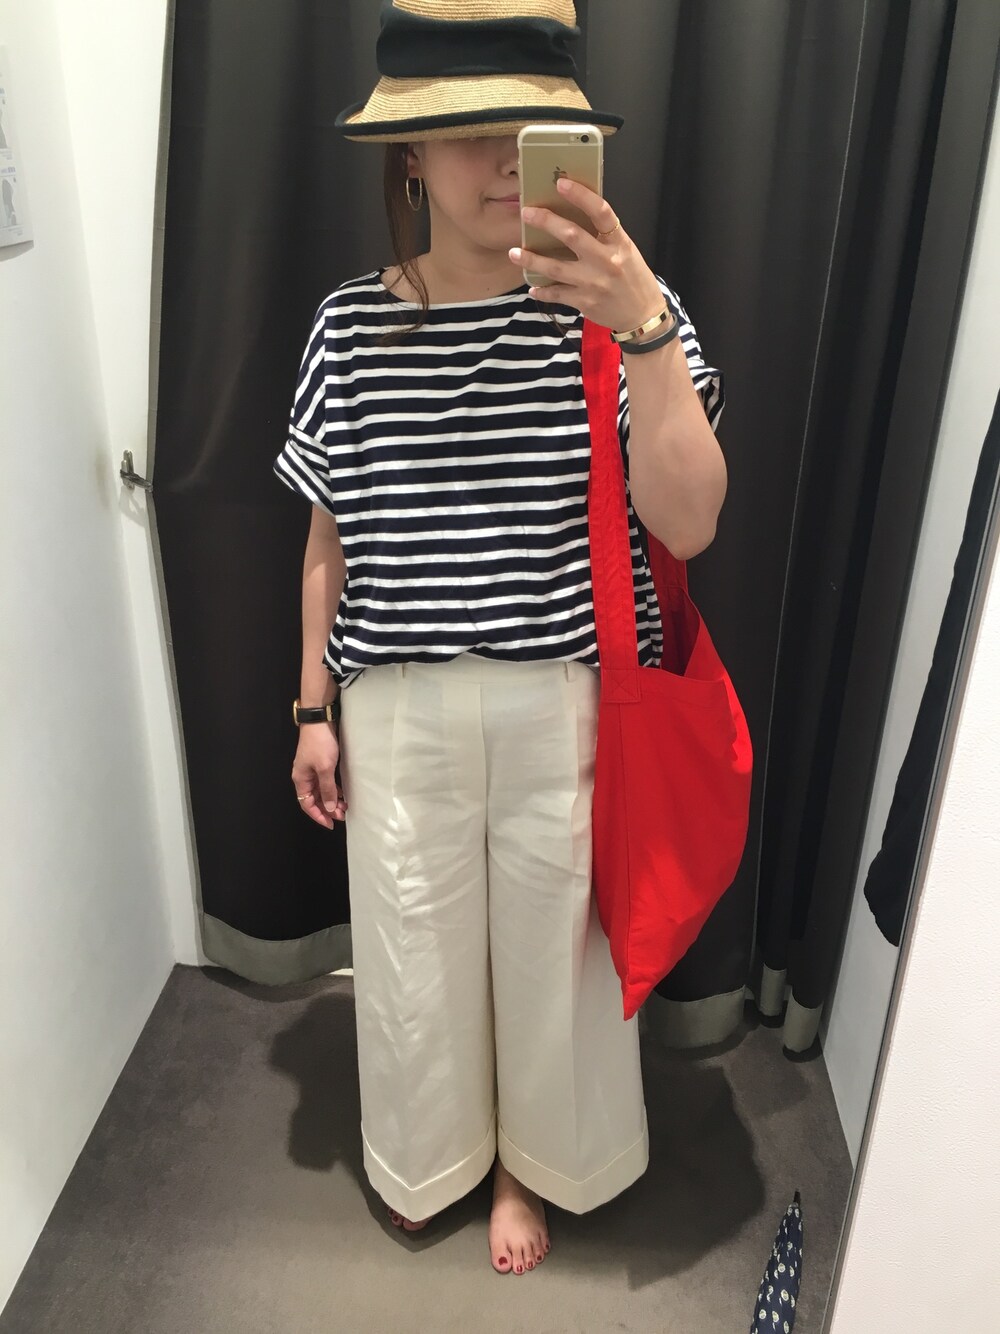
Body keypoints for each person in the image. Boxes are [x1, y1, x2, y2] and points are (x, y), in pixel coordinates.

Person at [272, 0, 727, 1278]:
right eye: (462, 131)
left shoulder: (618, 312)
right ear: (407, 155)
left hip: (560, 692)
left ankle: (533, 1162)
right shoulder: (347, 328)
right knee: (409, 948)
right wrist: (311, 706)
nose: (495, 163)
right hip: (398, 699)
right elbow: (326, 538)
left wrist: (642, 322)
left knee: (554, 960)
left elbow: (690, 522)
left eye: (522, 130)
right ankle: (431, 1155)